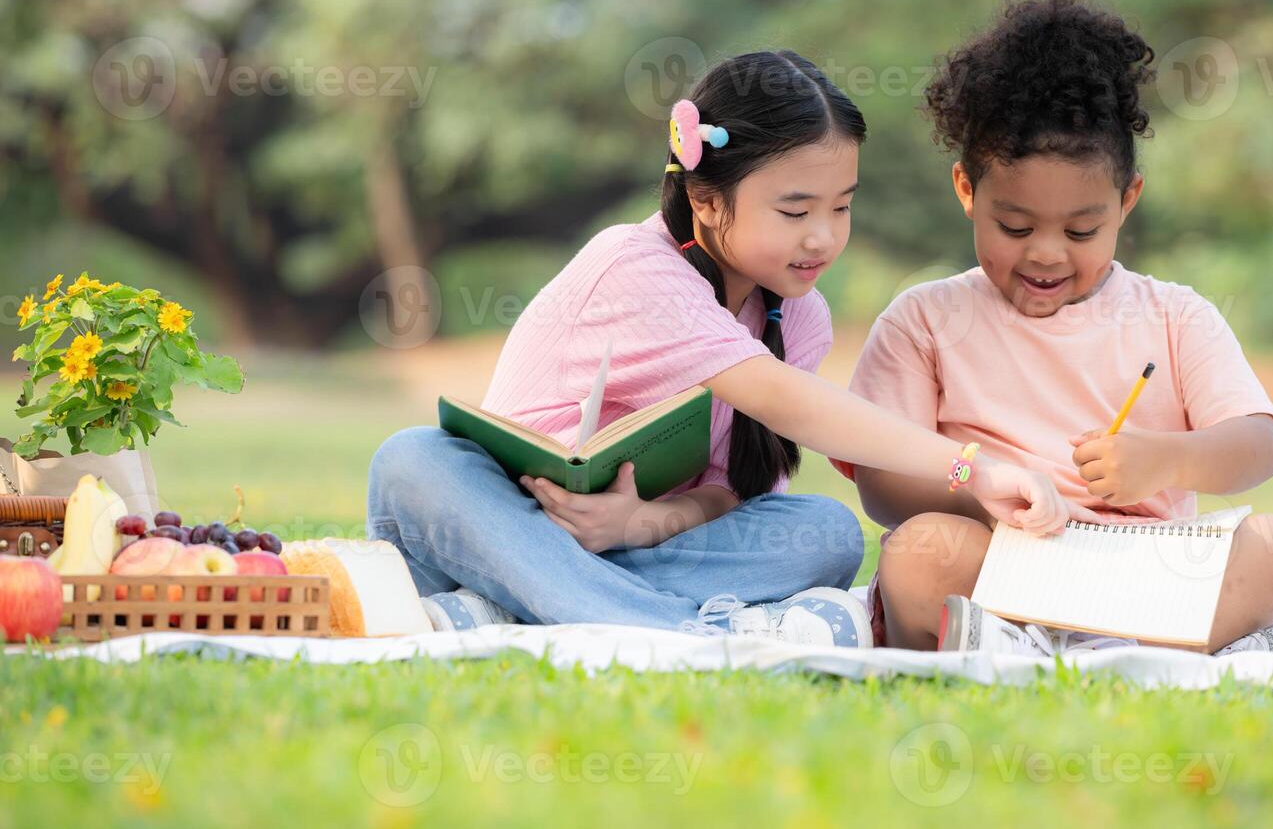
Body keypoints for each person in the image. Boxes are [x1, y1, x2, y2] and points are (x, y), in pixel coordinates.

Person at [367, 50, 1094, 648]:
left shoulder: (796, 317)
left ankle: (516, 612)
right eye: (795, 210)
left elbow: (728, 490)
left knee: (826, 531)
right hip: (507, 525)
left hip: (637, 547)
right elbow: (787, 404)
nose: (823, 236)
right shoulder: (637, 268)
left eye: (841, 206)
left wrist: (640, 523)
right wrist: (970, 465)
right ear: (708, 200)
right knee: (412, 460)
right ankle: (675, 635)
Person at [834, 0, 1273, 656]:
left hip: (1146, 567)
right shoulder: (925, 319)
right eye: (1016, 226)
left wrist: (1167, 460)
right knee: (919, 554)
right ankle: (1152, 647)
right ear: (967, 191)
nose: (1047, 253)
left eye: (1082, 229)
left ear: (1127, 200)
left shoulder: (1173, 315)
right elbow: (884, 484)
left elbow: (1257, 445)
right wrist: (983, 493)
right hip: (1003, 557)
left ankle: (1034, 644)